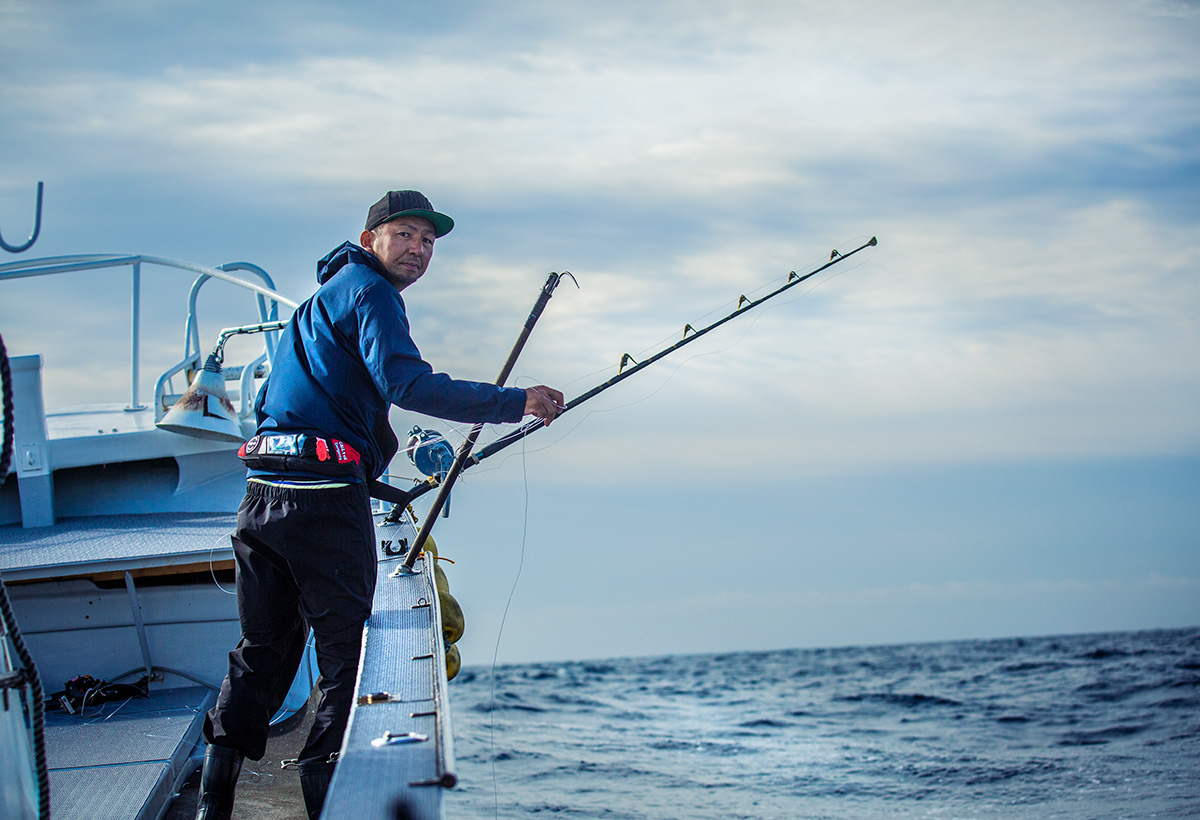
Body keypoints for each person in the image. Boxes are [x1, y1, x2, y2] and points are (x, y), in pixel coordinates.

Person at [194, 191, 563, 820]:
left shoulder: (318, 301)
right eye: (406, 235)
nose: (419, 250)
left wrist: (366, 472)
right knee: (349, 660)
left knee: (262, 649)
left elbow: (289, 405)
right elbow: (407, 384)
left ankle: (212, 800)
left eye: (428, 242)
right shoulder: (372, 293)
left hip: (261, 500)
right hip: (322, 509)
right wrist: (515, 401)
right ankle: (325, 796)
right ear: (371, 240)